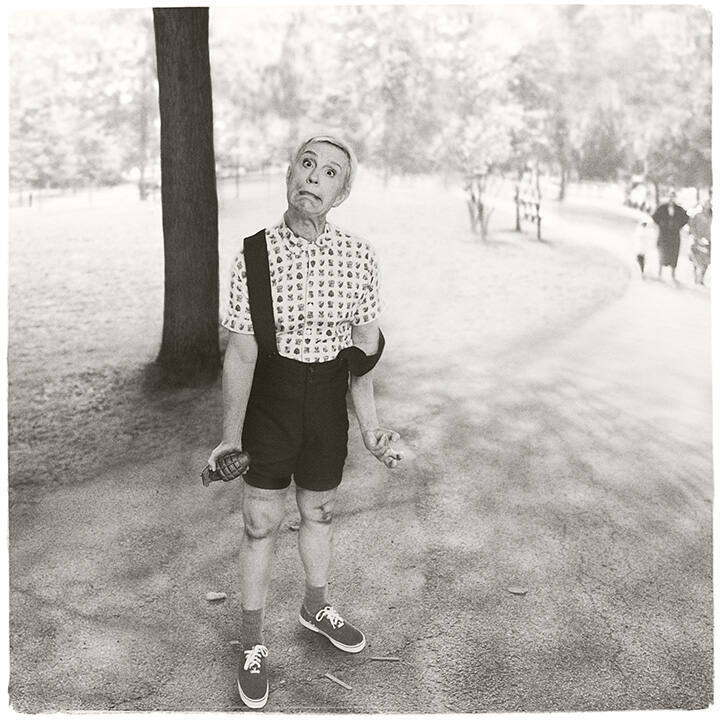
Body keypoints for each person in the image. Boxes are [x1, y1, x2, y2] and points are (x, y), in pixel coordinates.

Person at [208, 135, 402, 710]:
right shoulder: (253, 254)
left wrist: (370, 429)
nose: (314, 177)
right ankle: (252, 643)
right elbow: (241, 354)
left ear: (342, 192)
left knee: (319, 510)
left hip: (324, 406)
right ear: (289, 173)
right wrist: (229, 436)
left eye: (330, 172)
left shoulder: (359, 256)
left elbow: (360, 359)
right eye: (307, 164)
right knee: (260, 524)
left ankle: (315, 606)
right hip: (272, 398)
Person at [651, 189, 689, 282]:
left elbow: (686, 218)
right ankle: (659, 273)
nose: (671, 199)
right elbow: (654, 217)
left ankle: (673, 274)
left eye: (673, 197)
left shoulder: (679, 209)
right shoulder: (662, 208)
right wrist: (661, 224)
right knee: (662, 252)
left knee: (673, 254)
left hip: (674, 235)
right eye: (670, 196)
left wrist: (678, 225)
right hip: (664, 234)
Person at [688, 198, 712, 285]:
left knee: (706, 262)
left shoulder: (712, 217)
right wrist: (696, 236)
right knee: (696, 260)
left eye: (710, 204)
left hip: (708, 242)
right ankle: (695, 277)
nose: (708, 205)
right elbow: (691, 227)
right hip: (697, 241)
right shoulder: (697, 215)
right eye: (707, 203)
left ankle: (701, 278)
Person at [632, 211, 655, 278]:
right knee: (640, 258)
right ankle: (642, 270)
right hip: (640, 247)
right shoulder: (640, 229)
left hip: (644, 248)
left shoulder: (648, 229)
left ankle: (642, 271)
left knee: (642, 259)